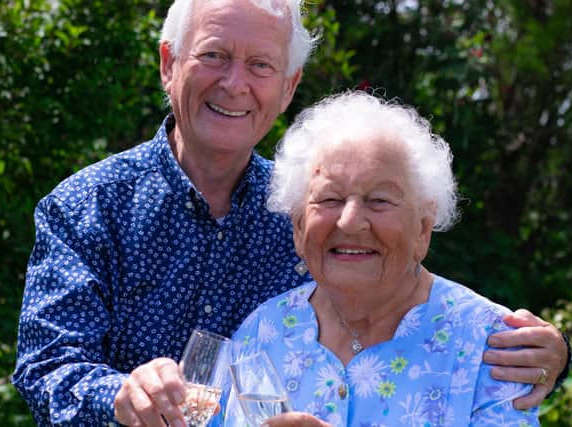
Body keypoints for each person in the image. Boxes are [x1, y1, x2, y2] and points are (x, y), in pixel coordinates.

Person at [11, 0, 569, 426]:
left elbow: (408, 295)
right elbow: (44, 366)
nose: (235, 83)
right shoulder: (87, 207)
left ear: (287, 88)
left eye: (260, 65)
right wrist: (119, 398)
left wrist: (544, 354)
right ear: (168, 64)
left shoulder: (311, 205)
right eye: (213, 55)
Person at [224, 91, 540, 426]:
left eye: (379, 201)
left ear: (422, 228)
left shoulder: (489, 343)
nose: (349, 221)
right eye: (329, 198)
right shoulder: (262, 332)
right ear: (299, 226)